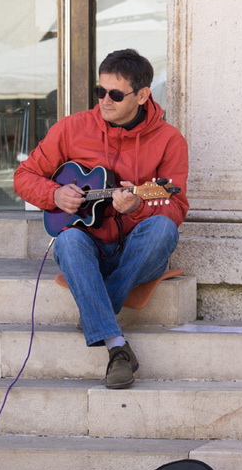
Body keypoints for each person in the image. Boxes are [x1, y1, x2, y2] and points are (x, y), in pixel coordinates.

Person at [13, 48, 189, 389]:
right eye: (100, 91)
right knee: (67, 240)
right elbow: (24, 175)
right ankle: (117, 347)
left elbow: (176, 205)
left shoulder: (169, 140)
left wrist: (137, 206)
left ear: (142, 95)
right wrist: (54, 195)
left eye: (115, 94)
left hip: (136, 254)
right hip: (88, 245)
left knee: (163, 229)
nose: (104, 101)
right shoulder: (72, 128)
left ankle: (99, 305)